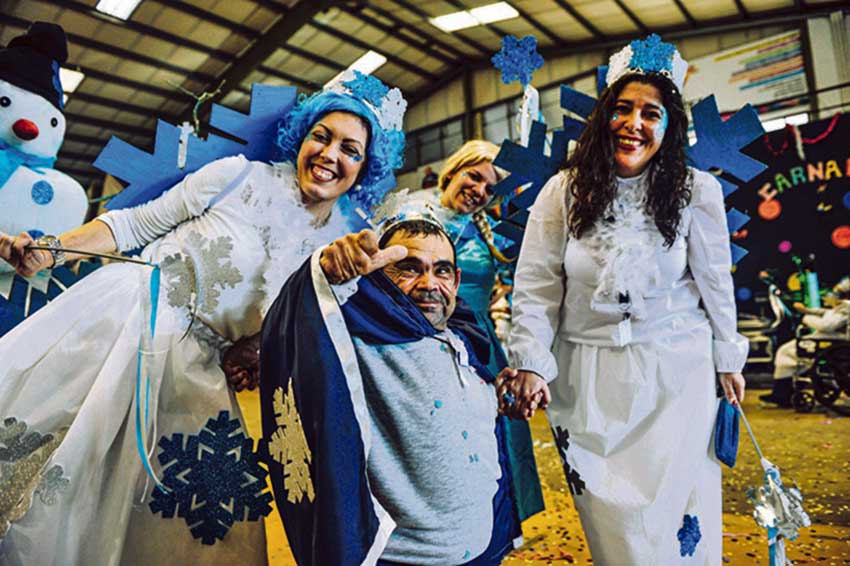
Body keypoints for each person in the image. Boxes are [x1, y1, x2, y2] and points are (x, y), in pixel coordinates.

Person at [0, 70, 405, 566]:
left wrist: (256, 350)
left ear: (364, 168)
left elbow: (296, 334)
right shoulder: (237, 176)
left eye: (350, 149)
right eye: (321, 136)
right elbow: (134, 224)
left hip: (198, 373)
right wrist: (54, 250)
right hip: (127, 321)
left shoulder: (337, 251)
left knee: (200, 520)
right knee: (61, 466)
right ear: (302, 137)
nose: (329, 154)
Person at [502, 35, 748, 564]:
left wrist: (728, 358)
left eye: (651, 113)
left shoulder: (696, 190)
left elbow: (715, 281)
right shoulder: (563, 192)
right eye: (623, 109)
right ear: (604, 117)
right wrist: (531, 362)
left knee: (679, 521)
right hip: (586, 382)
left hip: (677, 376)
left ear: (669, 126)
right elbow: (537, 284)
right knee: (615, 532)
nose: (634, 123)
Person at [259, 212, 532, 566]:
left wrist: (497, 396)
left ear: (456, 280)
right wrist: (327, 272)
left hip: (481, 549)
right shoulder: (358, 337)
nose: (428, 283)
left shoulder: (466, 335)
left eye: (441, 271)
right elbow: (299, 318)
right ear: (377, 274)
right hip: (402, 558)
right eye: (409, 268)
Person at [761, 278, 850, 407]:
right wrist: (806, 310)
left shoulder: (846, 306)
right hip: (832, 340)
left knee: (784, 351)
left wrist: (806, 318)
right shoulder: (843, 306)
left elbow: (826, 326)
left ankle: (782, 393)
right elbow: (827, 313)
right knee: (788, 351)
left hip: (830, 341)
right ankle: (785, 389)